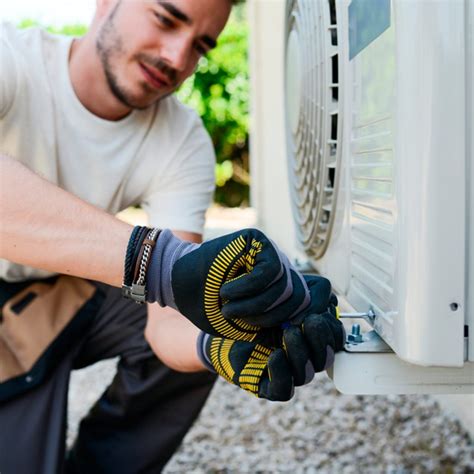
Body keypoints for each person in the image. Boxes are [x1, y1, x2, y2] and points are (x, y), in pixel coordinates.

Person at [0, 1, 344, 473]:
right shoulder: (11, 58)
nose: (179, 57)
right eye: (166, 18)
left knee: (215, 309)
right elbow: (165, 270)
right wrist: (160, 262)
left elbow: (169, 319)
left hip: (52, 294)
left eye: (201, 45)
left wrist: (222, 345)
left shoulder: (182, 139)